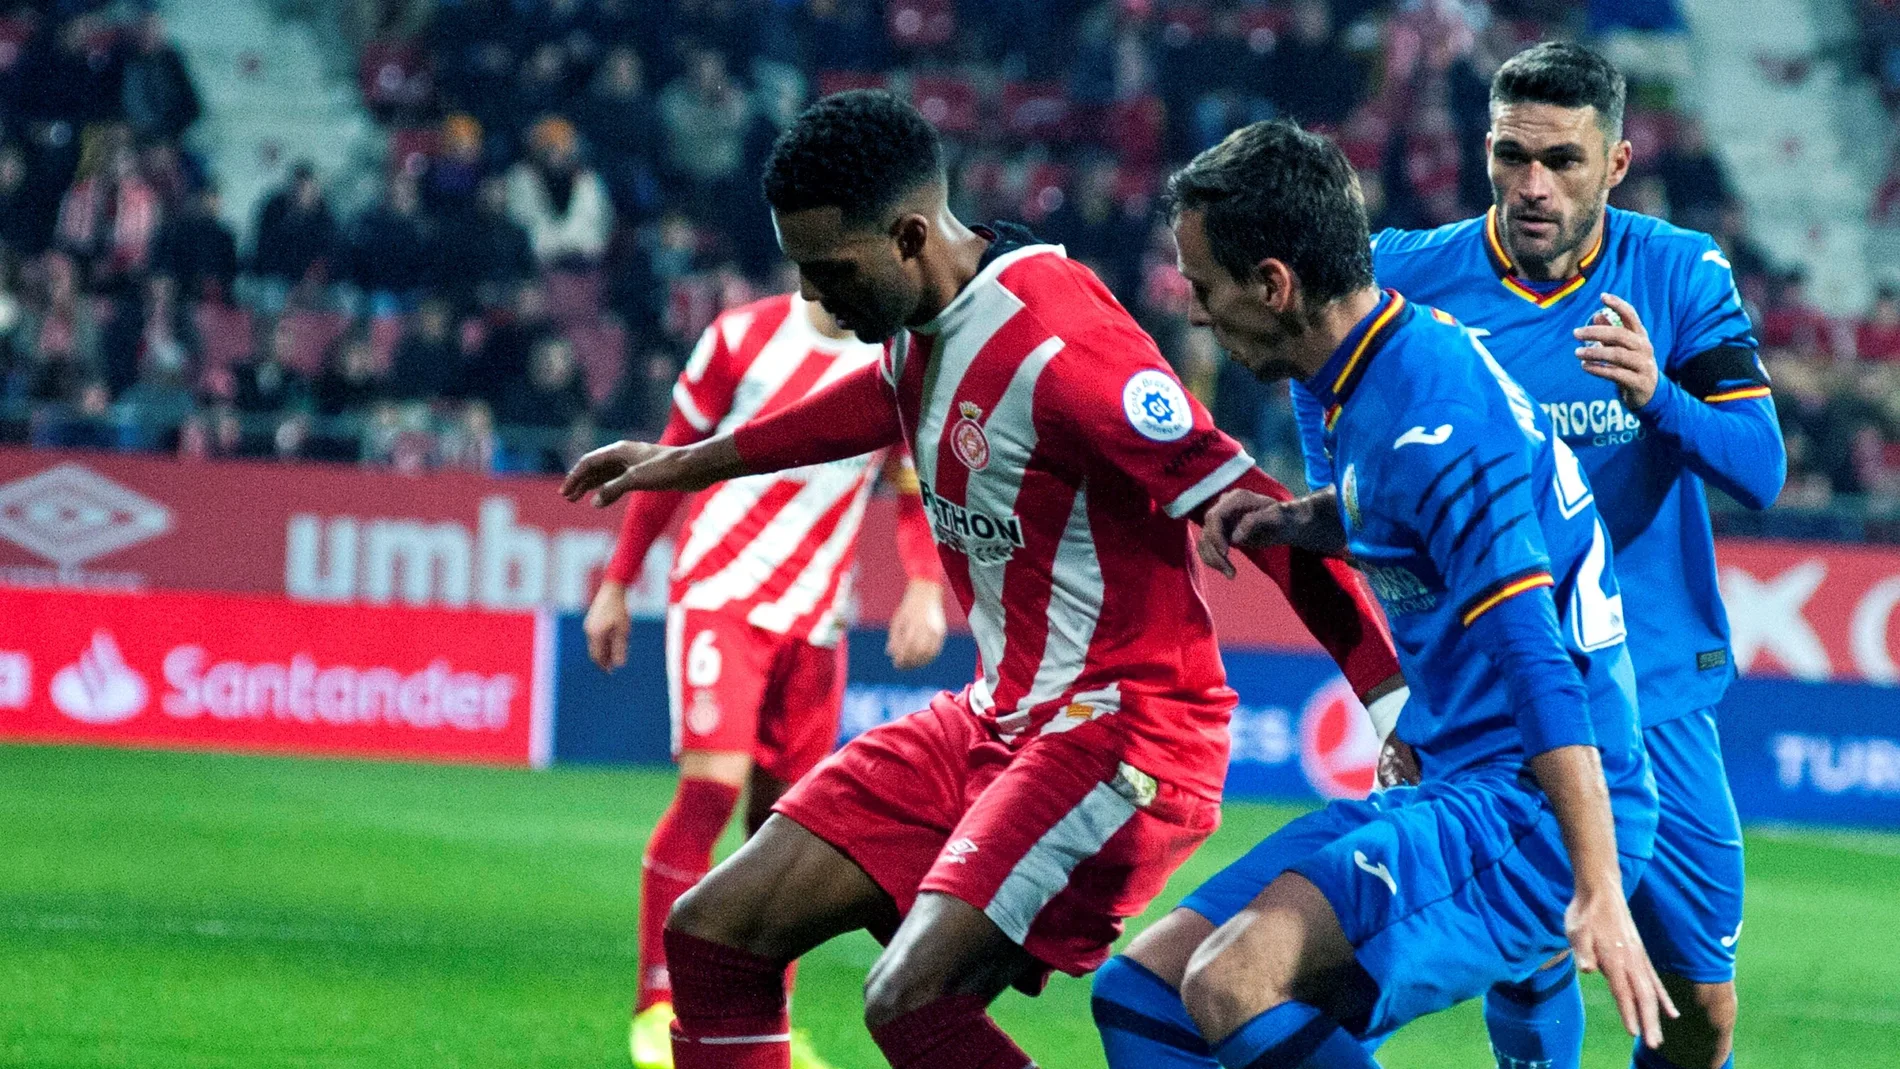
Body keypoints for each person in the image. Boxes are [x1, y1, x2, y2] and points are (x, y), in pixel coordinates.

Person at [560, 90, 1403, 1069]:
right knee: (714, 934)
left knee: (911, 1001)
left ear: (911, 234)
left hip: (1127, 731)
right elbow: (881, 400)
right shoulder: (926, 316)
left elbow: (1265, 515)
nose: (813, 298)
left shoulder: (1066, 351)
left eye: (830, 271)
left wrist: (1387, 703)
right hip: (996, 719)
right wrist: (695, 459)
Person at [1090, 118, 1673, 1069]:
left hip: (1532, 802)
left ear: (1274, 284)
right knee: (1142, 995)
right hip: (1463, 779)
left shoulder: (1433, 418)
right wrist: (1298, 521)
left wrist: (1598, 883)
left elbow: (1537, 658)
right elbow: (1410, 518)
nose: (1196, 314)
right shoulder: (1380, 365)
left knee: (1231, 981)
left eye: (1205, 288)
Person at [1304, 44, 1770, 1069]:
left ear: (1615, 162)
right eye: (1510, 154)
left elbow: (1761, 468)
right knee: (1527, 955)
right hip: (1495, 697)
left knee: (1700, 1008)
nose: (1530, 184)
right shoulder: (1409, 280)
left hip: (1652, 685)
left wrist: (1658, 395)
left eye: (1560, 159)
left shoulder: (1678, 270)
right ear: (1481, 148)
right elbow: (1342, 468)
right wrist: (1402, 697)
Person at [590, 292, 949, 1069]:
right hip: (721, 590)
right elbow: (667, 460)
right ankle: (658, 1004)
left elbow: (911, 495)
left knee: (786, 829)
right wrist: (618, 582)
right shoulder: (741, 337)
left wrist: (923, 584)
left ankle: (767, 1021)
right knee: (710, 792)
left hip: (817, 620)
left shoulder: (891, 365)